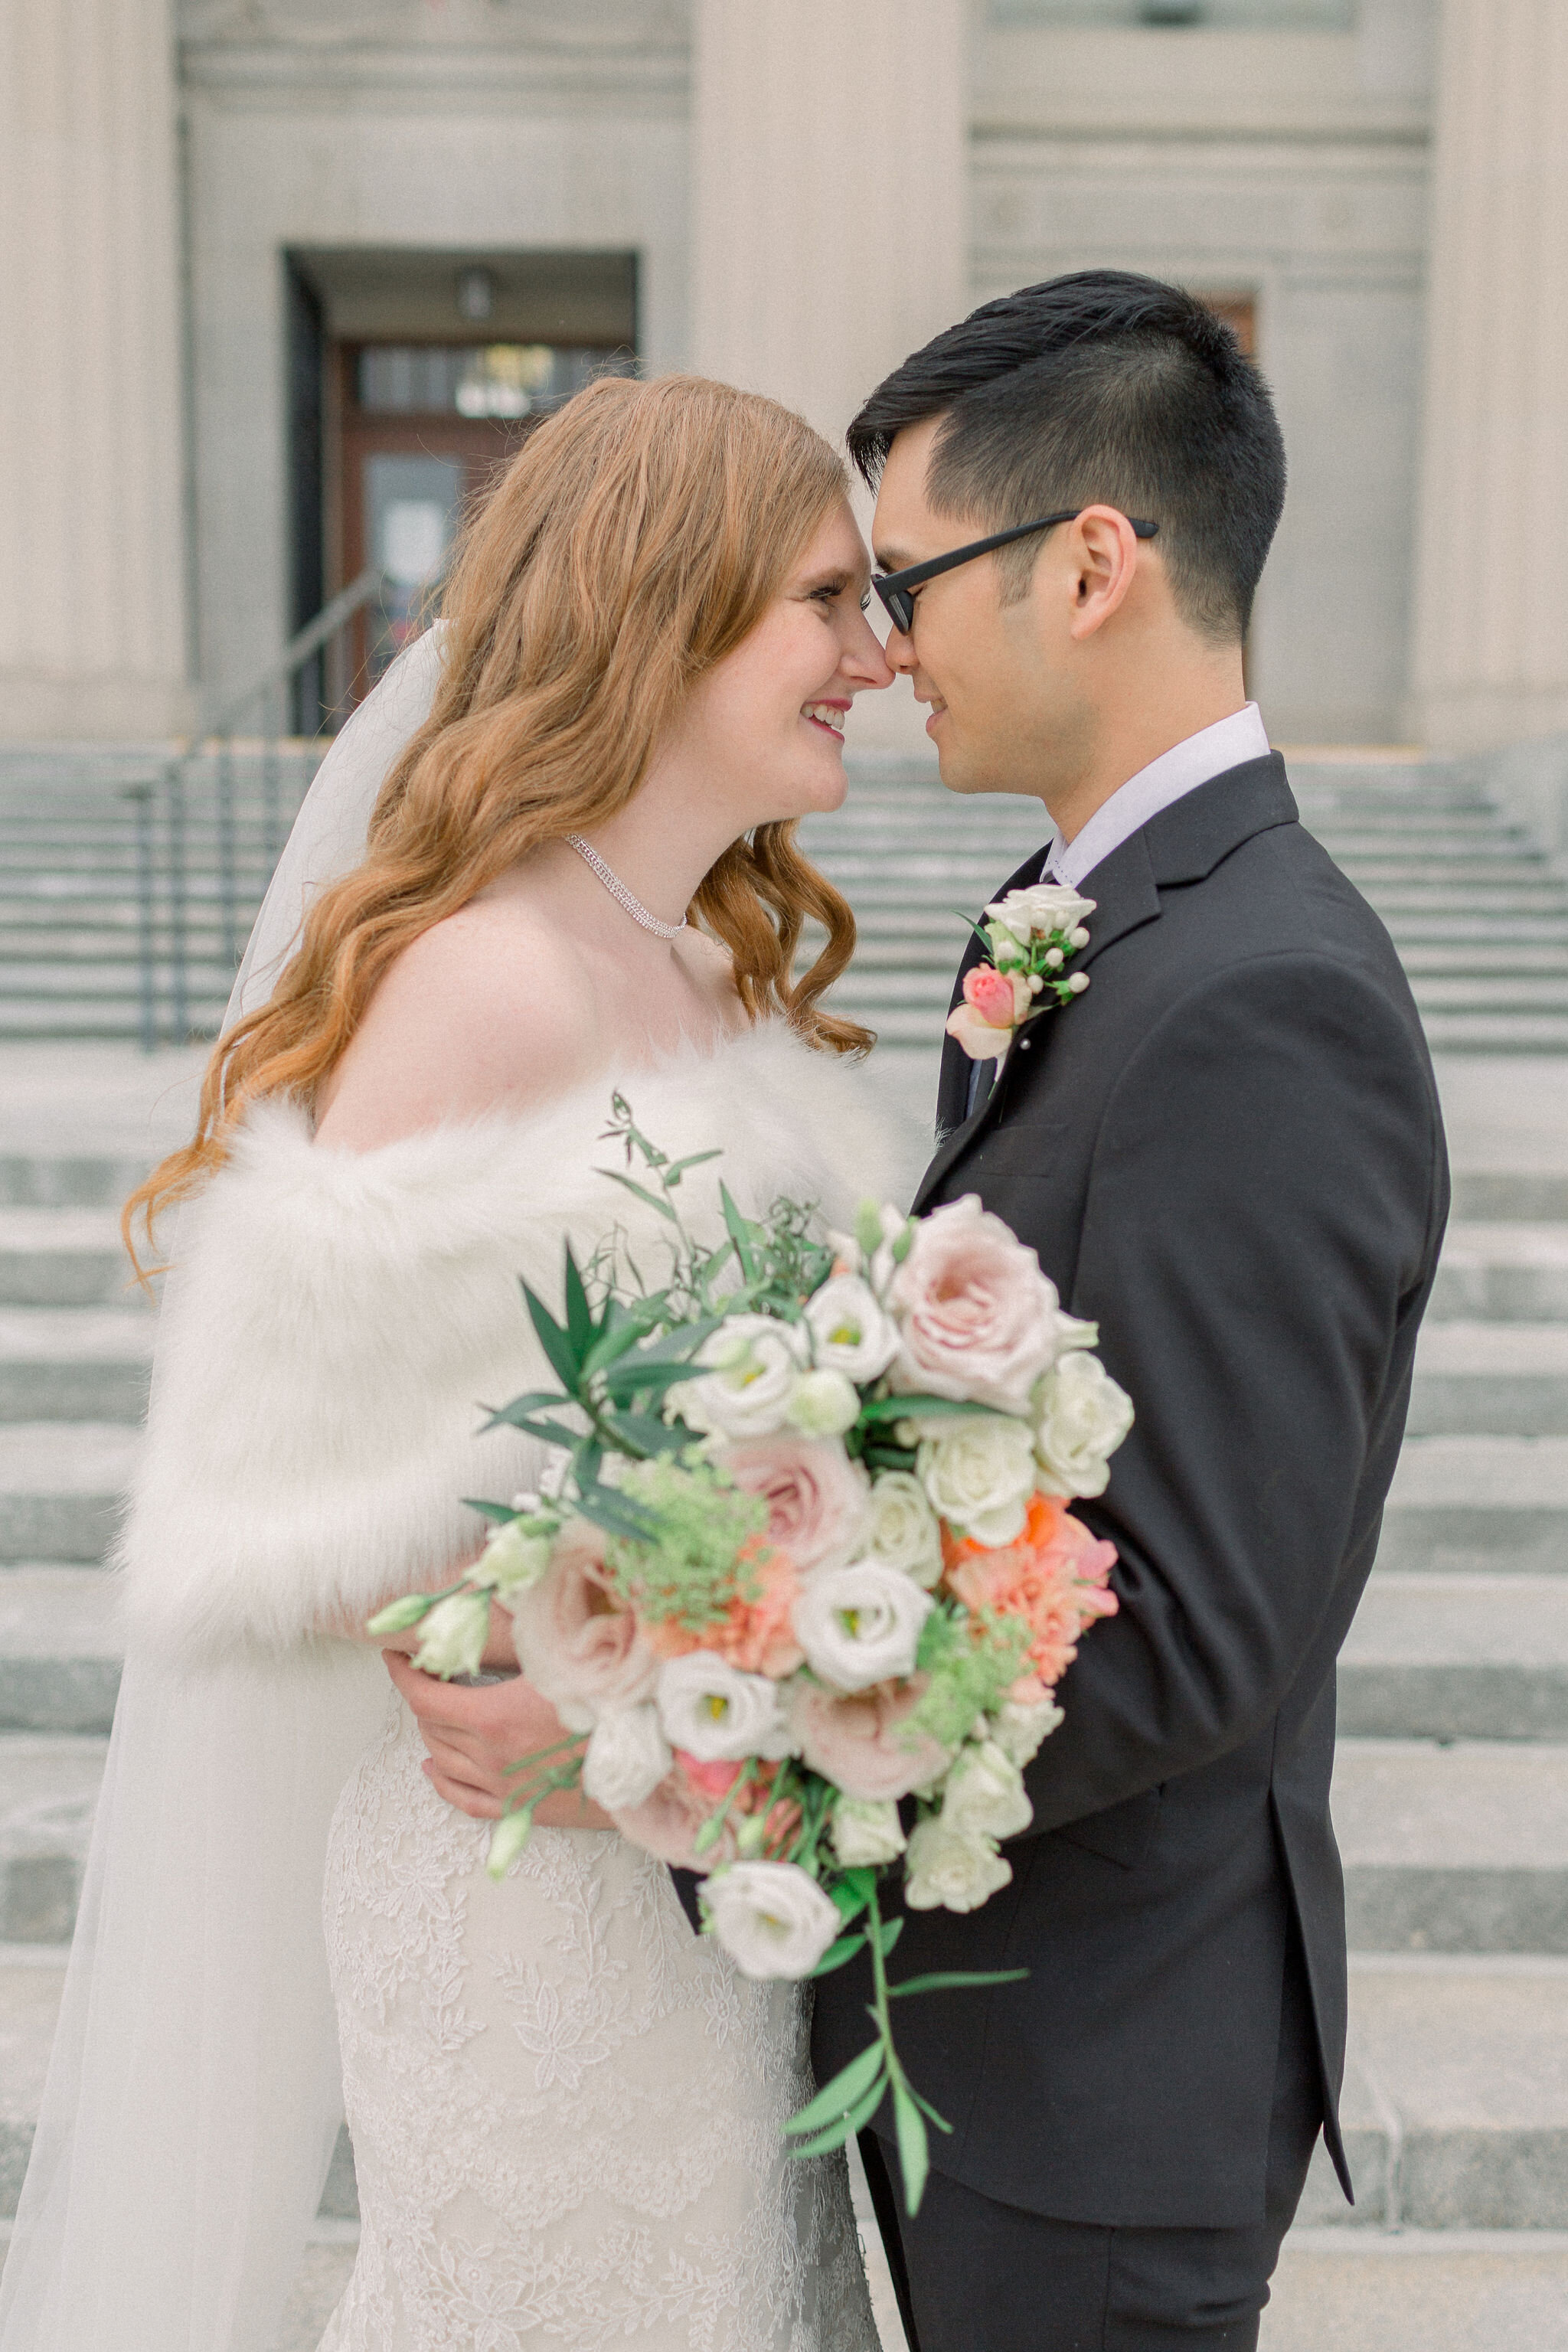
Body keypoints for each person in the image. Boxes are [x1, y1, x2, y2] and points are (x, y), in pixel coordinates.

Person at [0, 374, 897, 2352]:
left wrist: (794, 1648)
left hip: (707, 1884)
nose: (878, 653)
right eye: (827, 603)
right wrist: (624, 1673)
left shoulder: (705, 966)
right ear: (669, 609)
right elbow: (281, 1508)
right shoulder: (485, 981)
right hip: (528, 1895)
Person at [803, 271, 1449, 2351]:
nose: (885, 646)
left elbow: (1190, 1628)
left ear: (1091, 563)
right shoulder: (1088, 913)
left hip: (1108, 2079)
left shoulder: (1267, 993)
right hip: (1005, 2030)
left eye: (909, 578)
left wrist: (759, 1751)